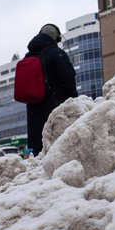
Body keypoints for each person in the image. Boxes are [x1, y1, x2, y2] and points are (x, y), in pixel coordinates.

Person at [25, 24, 77, 156]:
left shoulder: (28, 56)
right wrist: (75, 102)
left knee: (39, 153)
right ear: (57, 38)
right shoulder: (56, 54)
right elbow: (68, 80)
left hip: (33, 113)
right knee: (58, 151)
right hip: (55, 109)